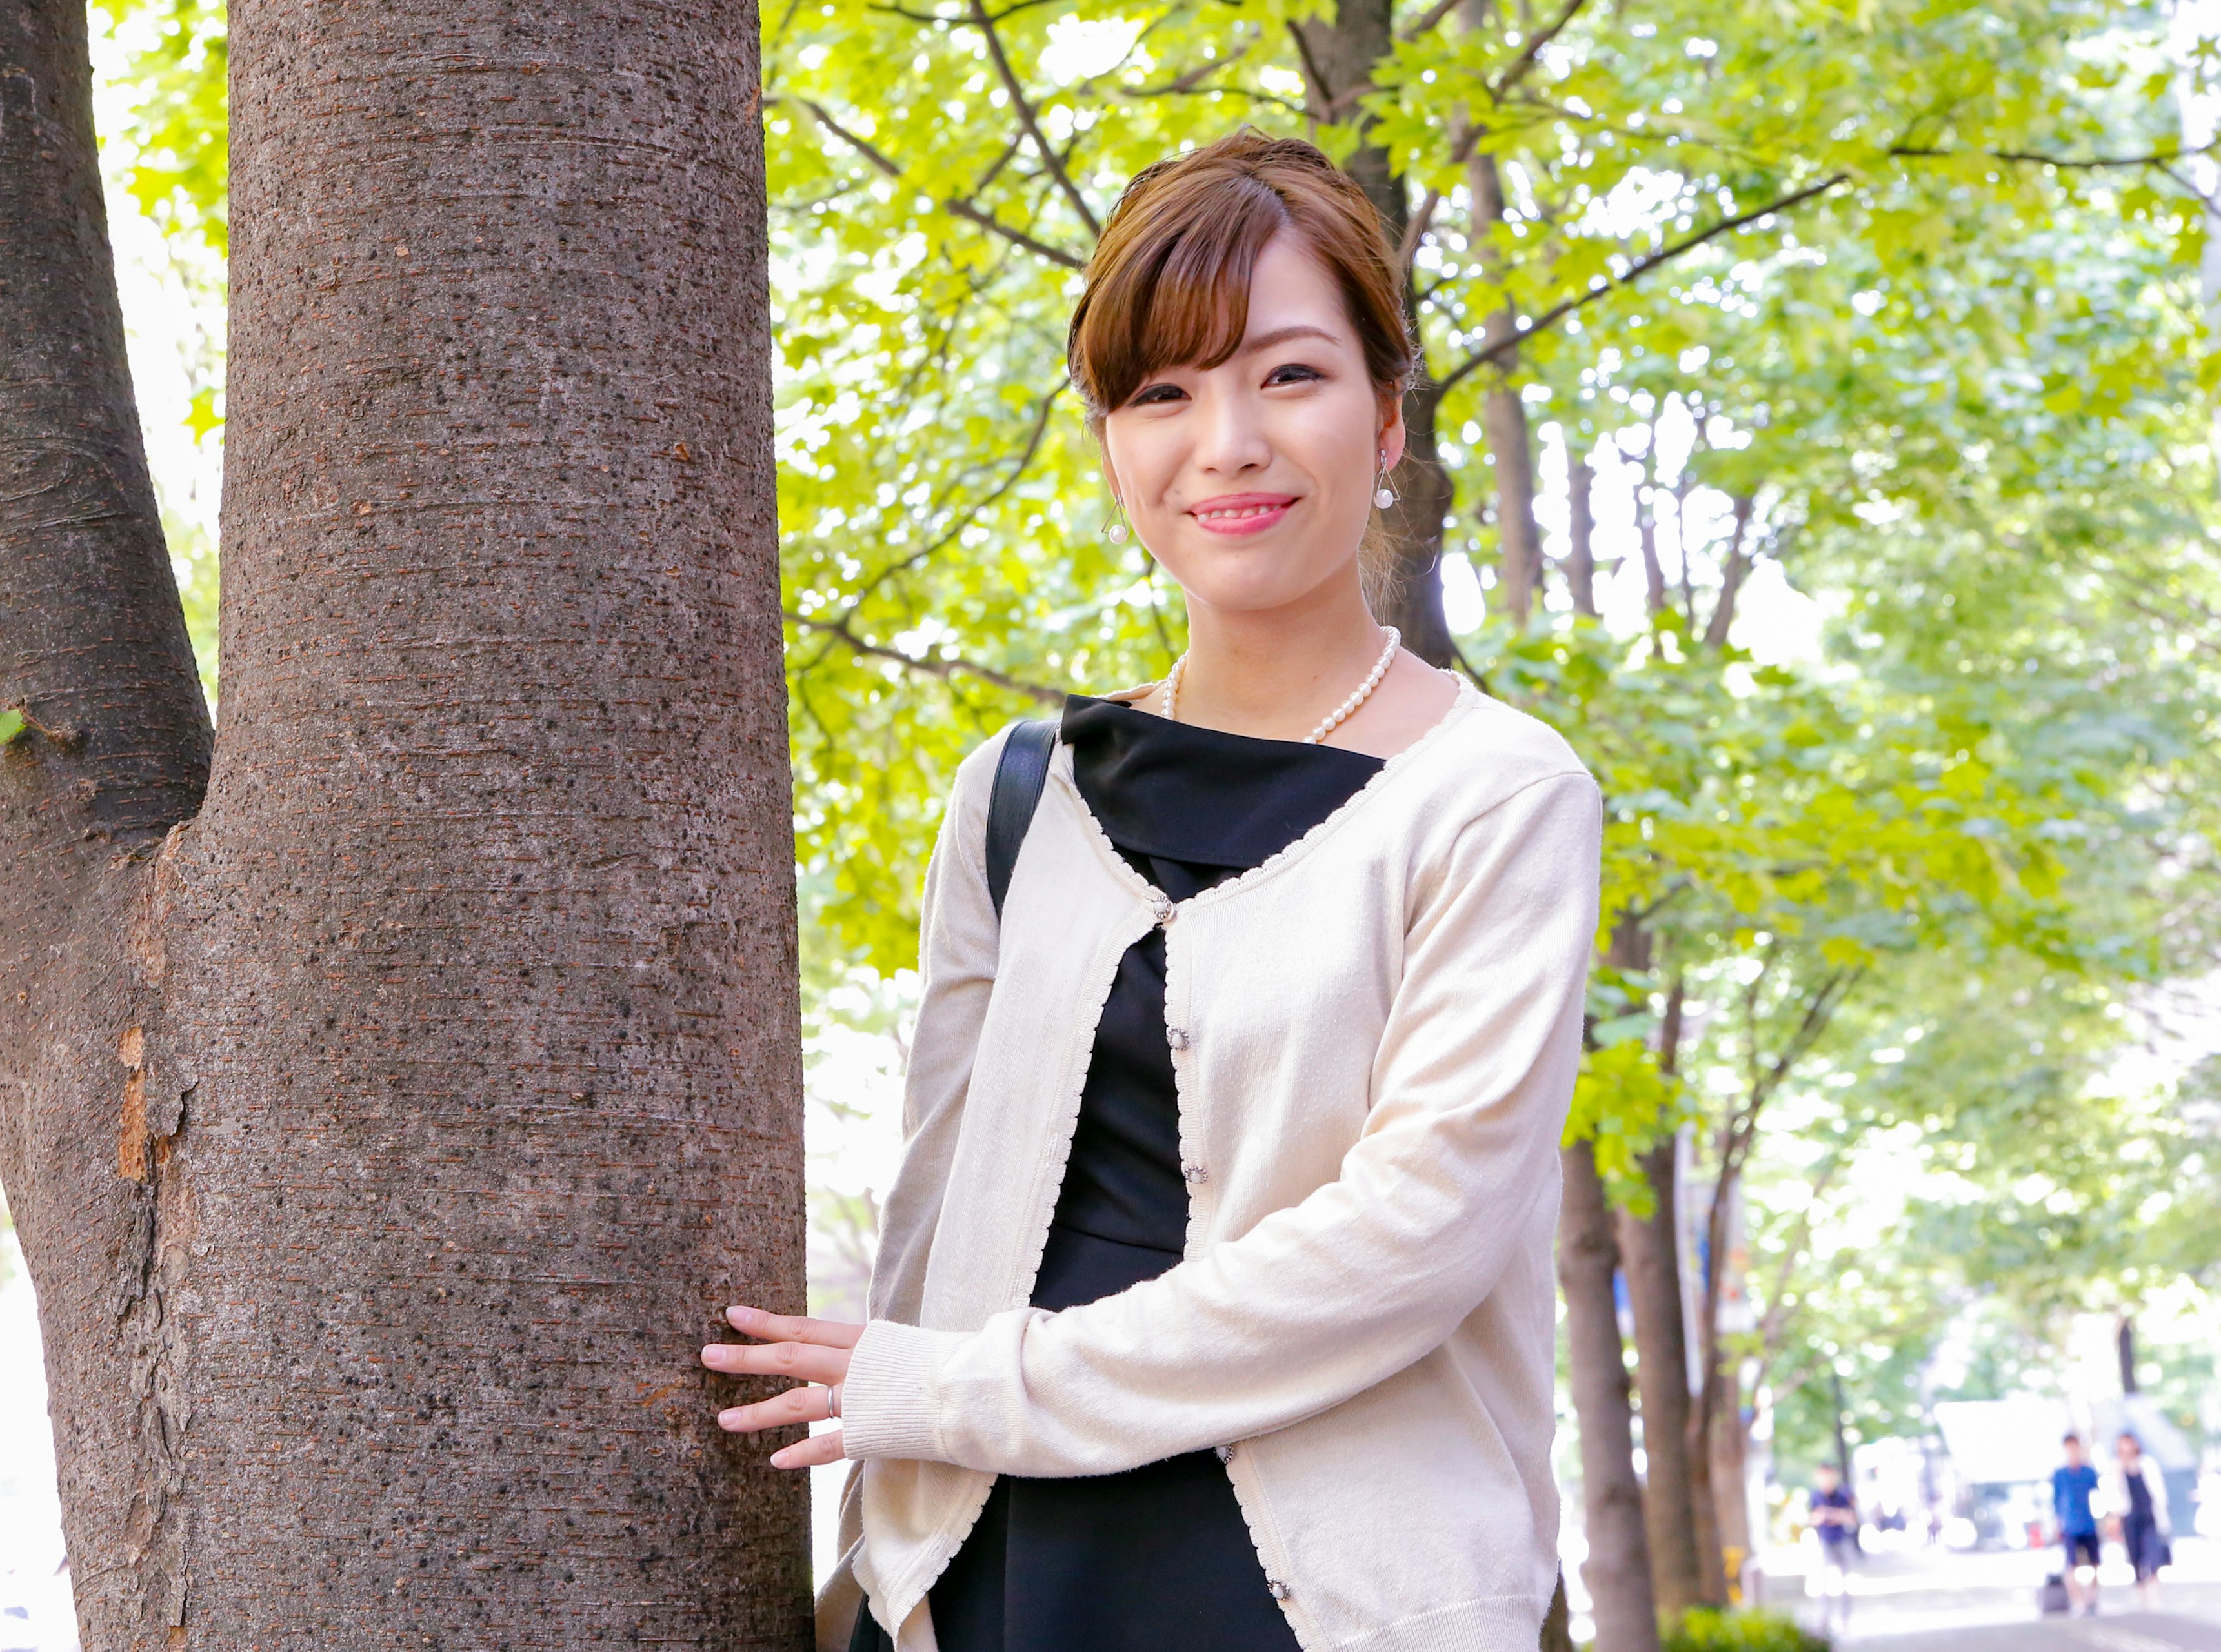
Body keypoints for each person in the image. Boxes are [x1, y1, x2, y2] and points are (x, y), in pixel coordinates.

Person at [699, 130, 1604, 1652]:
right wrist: (877, 1570)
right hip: (993, 1575)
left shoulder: (1498, 793)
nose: (1227, 442)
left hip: (1317, 1600)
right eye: (1162, 392)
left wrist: (951, 1388)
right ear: (1113, 438)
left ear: (1386, 417)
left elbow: (1411, 1238)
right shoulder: (1016, 793)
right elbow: (933, 1206)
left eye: (1290, 376)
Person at [2112, 1431, 2171, 1607]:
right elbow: (2114, 1496)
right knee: (2136, 1559)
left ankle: (2155, 1598)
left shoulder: (2148, 1464)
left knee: (2153, 1556)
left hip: (2149, 1518)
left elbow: (2159, 1492)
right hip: (2129, 1520)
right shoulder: (2115, 1467)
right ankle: (2142, 1598)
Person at [2051, 1431, 2102, 1616]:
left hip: (2089, 1524)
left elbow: (2098, 1496)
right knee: (2071, 1566)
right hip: (2070, 1527)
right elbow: (2056, 1501)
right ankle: (2078, 1602)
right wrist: (2057, 1525)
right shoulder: (2060, 1475)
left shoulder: (2089, 1472)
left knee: (2096, 1564)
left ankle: (2091, 1598)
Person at [1805, 1462, 1858, 1634]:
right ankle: (1824, 1619)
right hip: (1824, 1542)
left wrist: (1833, 1515)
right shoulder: (1815, 1496)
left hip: (1842, 1541)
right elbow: (1812, 1519)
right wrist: (1826, 1516)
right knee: (1822, 1583)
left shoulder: (1843, 1494)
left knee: (1845, 1583)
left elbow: (1851, 1518)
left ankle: (1845, 1619)